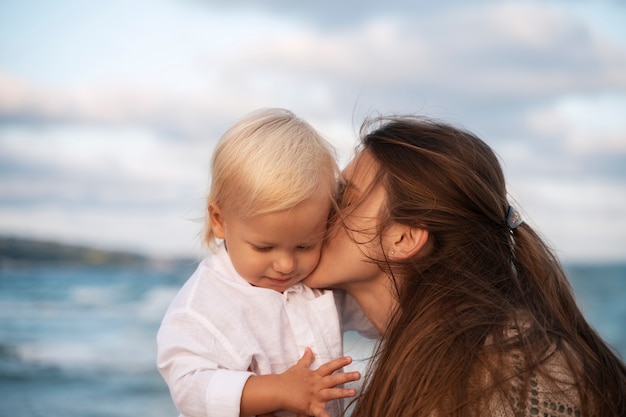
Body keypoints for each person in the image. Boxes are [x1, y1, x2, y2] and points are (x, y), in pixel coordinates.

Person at [304, 115, 626, 416]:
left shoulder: (500, 378)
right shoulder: (462, 353)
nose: (319, 210)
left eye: (344, 198)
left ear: (405, 237)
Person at [157, 108, 373, 417]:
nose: (286, 264)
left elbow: (379, 316)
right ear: (219, 221)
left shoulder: (317, 286)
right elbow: (191, 389)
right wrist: (280, 391)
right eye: (264, 247)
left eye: (304, 244)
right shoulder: (200, 306)